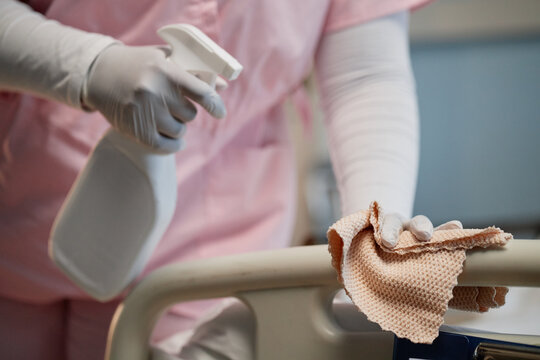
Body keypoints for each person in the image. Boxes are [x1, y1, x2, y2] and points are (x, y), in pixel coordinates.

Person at [0, 0, 460, 358]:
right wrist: (89, 66)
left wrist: (377, 219)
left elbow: (365, 74)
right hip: (21, 223)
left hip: (215, 244)